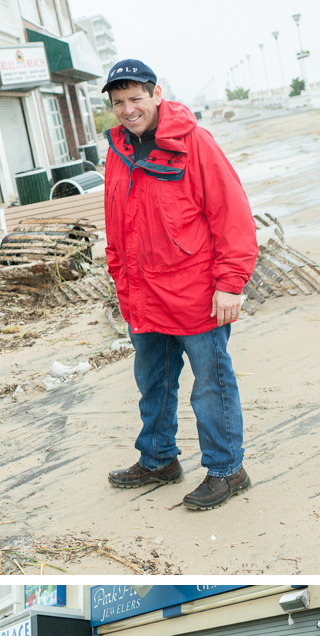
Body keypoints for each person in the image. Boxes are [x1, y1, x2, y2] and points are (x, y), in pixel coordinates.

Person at [102, 59, 259, 510]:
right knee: (153, 381)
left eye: (135, 98)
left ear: (156, 93)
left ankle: (228, 470)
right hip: (144, 297)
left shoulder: (193, 143)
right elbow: (116, 222)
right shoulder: (117, 151)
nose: (128, 109)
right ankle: (158, 459)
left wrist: (230, 283)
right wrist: (120, 279)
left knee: (211, 384)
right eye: (118, 102)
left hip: (195, 296)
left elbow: (231, 213)